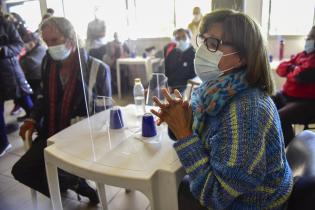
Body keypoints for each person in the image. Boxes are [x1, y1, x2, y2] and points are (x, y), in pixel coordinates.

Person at [151, 9, 293, 209]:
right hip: (234, 191)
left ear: (242, 56)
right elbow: (207, 138)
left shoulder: (245, 112)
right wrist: (181, 121)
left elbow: (215, 196)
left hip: (256, 203)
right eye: (204, 41)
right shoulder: (214, 90)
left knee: (175, 189)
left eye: (213, 44)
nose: (201, 51)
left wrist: (184, 133)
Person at [11, 17, 112, 204]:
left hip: (83, 139)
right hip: (51, 134)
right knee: (20, 171)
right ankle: (76, 184)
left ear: (70, 39)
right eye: (46, 42)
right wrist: (32, 119)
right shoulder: (47, 63)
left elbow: (105, 114)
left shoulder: (97, 69)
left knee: (53, 171)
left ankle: (68, 182)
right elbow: (42, 97)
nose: (50, 47)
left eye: (54, 41)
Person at [273, 26, 315, 146]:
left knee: (279, 117)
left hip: (306, 103)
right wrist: (293, 69)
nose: (309, 40)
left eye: (312, 37)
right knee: (265, 104)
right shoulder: (302, 55)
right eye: (309, 36)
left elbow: (302, 76)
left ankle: (289, 151)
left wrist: (292, 70)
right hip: (286, 95)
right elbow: (280, 69)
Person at [0, 9, 33, 156]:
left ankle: (43, 132)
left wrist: (2, 50)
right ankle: (3, 143)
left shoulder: (6, 24)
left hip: (10, 73)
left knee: (28, 104)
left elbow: (20, 45)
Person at [164, 28, 196, 93]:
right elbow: (165, 72)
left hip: (187, 89)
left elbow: (194, 77)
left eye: (184, 37)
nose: (181, 40)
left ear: (189, 38)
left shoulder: (194, 55)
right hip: (170, 88)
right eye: (178, 38)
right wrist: (166, 86)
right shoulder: (172, 53)